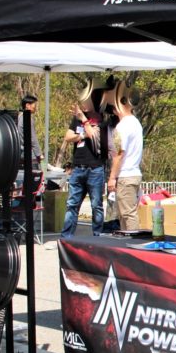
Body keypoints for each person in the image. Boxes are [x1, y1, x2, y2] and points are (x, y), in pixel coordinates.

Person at [60, 85, 107, 238]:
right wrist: (82, 135)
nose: (83, 105)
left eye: (87, 101)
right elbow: (68, 137)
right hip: (78, 168)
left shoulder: (102, 119)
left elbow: (94, 136)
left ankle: (97, 237)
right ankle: (66, 237)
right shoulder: (78, 119)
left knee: (96, 205)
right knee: (72, 204)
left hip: (95, 169)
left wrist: (84, 121)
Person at [107, 82, 143, 231]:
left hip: (126, 176)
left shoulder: (122, 126)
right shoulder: (135, 122)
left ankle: (133, 241)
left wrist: (112, 178)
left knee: (128, 214)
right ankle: (128, 240)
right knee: (125, 214)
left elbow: (119, 154)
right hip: (133, 174)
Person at [17, 94, 43, 170]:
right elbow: (32, 138)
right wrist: (39, 154)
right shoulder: (28, 118)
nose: (36, 108)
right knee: (35, 172)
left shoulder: (19, 117)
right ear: (27, 105)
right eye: (34, 105)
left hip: (20, 152)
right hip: (30, 153)